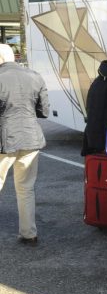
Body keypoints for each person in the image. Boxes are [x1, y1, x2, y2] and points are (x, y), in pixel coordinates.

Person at [0, 43, 49, 246]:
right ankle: (29, 233)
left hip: (5, 139)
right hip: (31, 138)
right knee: (26, 188)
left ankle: (28, 233)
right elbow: (44, 111)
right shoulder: (35, 76)